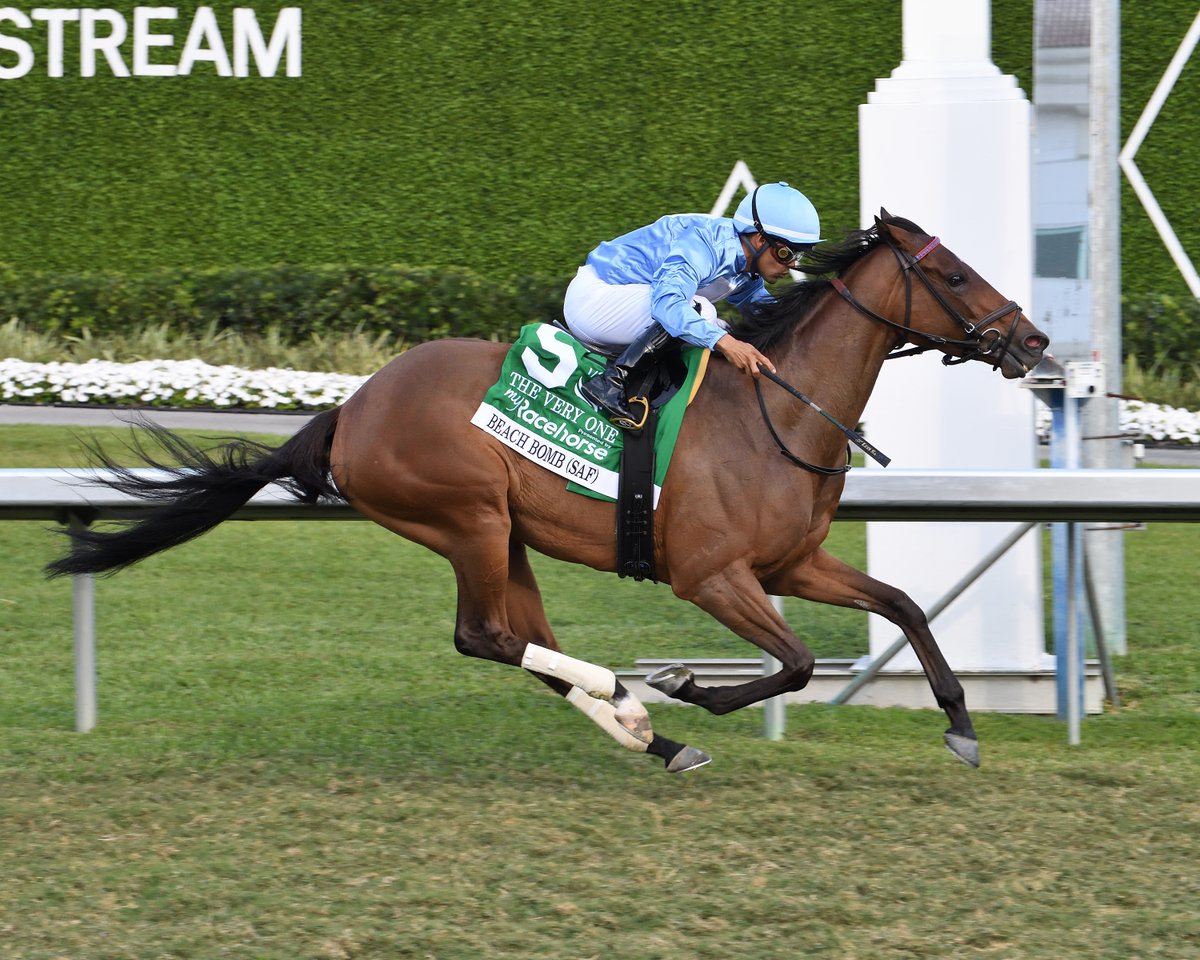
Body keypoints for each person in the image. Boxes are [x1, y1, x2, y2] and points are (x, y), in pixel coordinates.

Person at [564, 181, 823, 429]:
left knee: (723, 327)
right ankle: (610, 383)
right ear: (758, 240)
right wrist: (728, 344)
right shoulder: (706, 243)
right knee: (703, 313)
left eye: (799, 255)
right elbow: (667, 304)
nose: (792, 265)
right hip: (594, 300)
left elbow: (764, 311)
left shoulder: (745, 265)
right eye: (786, 253)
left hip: (625, 304)